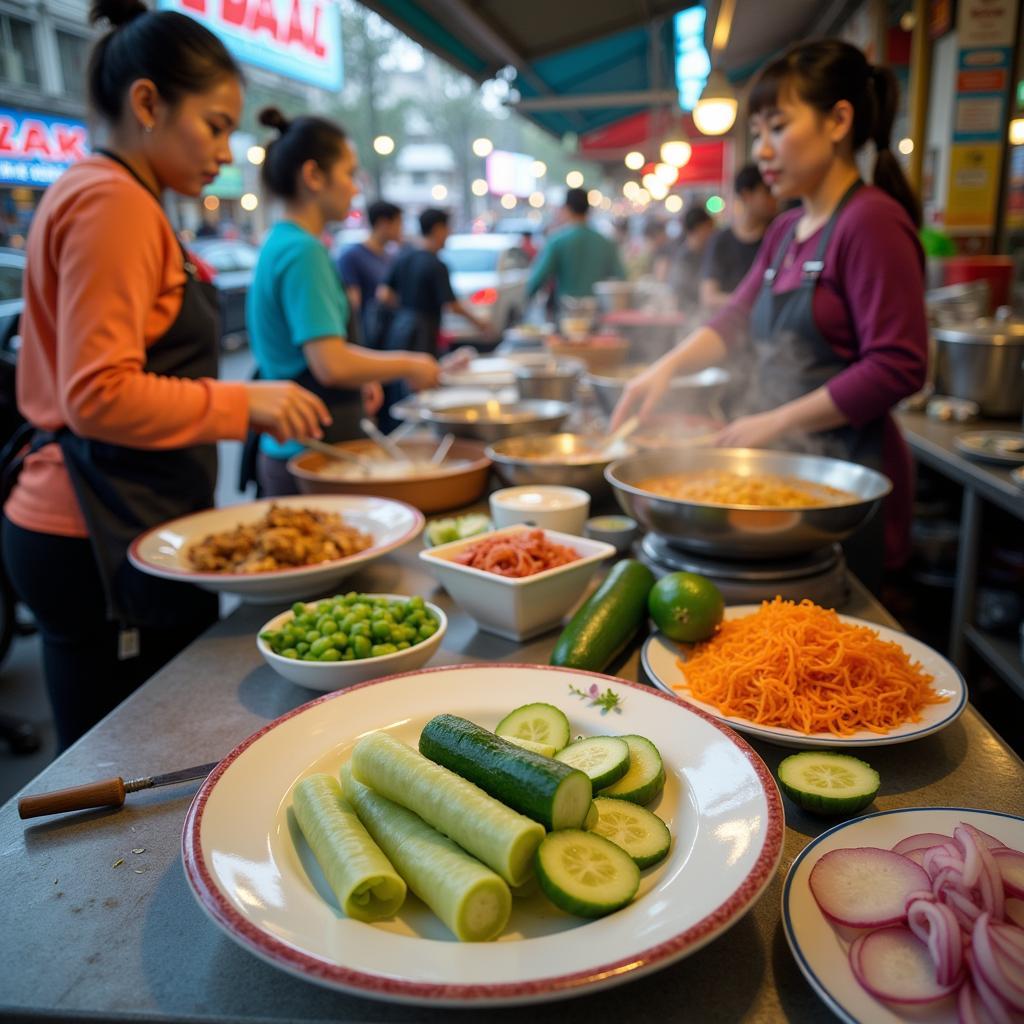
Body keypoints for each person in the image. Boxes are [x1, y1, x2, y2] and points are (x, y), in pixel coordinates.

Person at [0, 0, 331, 750]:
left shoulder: (121, 195)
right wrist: (248, 401)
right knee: (122, 760)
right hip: (93, 529)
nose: (225, 150)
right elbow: (97, 395)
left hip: (110, 518)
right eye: (214, 124)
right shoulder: (111, 200)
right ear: (148, 102)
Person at [612, 39, 928, 592]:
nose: (761, 150)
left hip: (844, 483)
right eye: (756, 133)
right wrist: (661, 370)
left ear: (838, 121)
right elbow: (737, 316)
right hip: (783, 474)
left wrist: (773, 423)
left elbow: (898, 365)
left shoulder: (872, 222)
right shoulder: (785, 229)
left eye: (776, 127)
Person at [247, 110, 440, 497]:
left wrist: (365, 374)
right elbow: (329, 363)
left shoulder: (284, 243)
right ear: (314, 176)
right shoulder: (303, 251)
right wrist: (411, 363)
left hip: (296, 449)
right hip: (309, 454)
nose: (355, 188)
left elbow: (308, 355)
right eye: (349, 174)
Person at [525, 187, 625, 304]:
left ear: (567, 209)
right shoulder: (605, 242)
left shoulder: (557, 241)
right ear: (588, 210)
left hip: (566, 312)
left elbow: (536, 280)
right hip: (597, 310)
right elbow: (621, 277)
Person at [699, 164, 777, 312]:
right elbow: (709, 298)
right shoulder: (720, 241)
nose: (775, 197)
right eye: (767, 191)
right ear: (746, 195)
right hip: (728, 328)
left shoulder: (779, 236)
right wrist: (755, 302)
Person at [337, 199, 403, 346]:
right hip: (364, 338)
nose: (401, 229)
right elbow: (352, 302)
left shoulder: (390, 256)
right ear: (383, 223)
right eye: (398, 223)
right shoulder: (352, 256)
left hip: (387, 335)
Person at [668, 206, 715, 314]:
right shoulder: (683, 257)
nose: (712, 232)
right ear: (699, 228)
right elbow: (677, 293)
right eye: (709, 227)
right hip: (688, 315)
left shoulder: (707, 252)